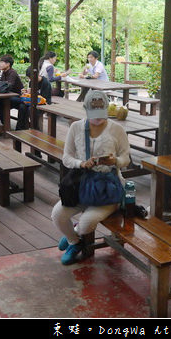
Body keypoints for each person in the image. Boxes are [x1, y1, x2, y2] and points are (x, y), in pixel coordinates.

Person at [51, 89, 130, 265]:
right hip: (82, 185)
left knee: (87, 223)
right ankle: (74, 242)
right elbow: (66, 158)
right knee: (57, 215)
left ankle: (76, 233)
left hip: (107, 188)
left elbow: (126, 159)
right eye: (94, 114)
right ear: (85, 109)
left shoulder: (117, 130)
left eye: (102, 114)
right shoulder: (76, 127)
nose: (98, 119)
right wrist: (81, 163)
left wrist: (114, 161)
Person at [0, 55, 28, 130]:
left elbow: (8, 87)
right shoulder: (4, 72)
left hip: (18, 97)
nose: (0, 64)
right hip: (9, 96)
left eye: (2, 62)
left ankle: (9, 127)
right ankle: (6, 125)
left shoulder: (12, 73)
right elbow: (0, 86)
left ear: (8, 64)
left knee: (0, 101)